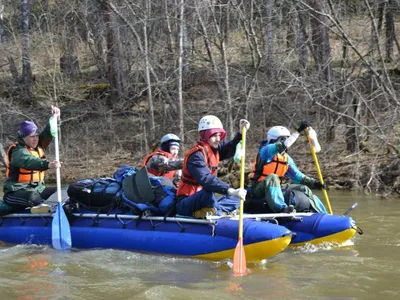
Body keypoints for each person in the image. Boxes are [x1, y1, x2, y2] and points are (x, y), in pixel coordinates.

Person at [176, 115, 250, 218]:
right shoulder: (196, 155)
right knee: (208, 193)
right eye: (214, 135)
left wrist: (241, 134)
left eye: (219, 135)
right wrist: (230, 190)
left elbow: (231, 146)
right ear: (204, 135)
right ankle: (219, 213)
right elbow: (206, 179)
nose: (218, 139)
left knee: (236, 199)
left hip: (206, 200)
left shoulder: (215, 149)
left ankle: (214, 210)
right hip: (187, 201)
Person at [248, 122, 327, 213]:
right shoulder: (265, 151)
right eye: (282, 139)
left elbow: (297, 176)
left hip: (277, 186)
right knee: (273, 177)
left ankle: (322, 213)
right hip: (258, 188)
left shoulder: (286, 158)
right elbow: (283, 145)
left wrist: (315, 183)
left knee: (304, 189)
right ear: (273, 140)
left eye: (286, 138)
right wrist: (297, 132)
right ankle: (281, 208)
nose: (285, 141)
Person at [3, 106, 61, 210]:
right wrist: (48, 164)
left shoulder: (38, 145)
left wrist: (56, 118)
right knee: (33, 198)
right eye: (31, 136)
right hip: (16, 193)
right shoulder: (18, 151)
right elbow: (29, 161)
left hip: (37, 189)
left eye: (37, 136)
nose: (35, 139)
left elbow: (49, 132)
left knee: (60, 191)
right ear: (23, 137)